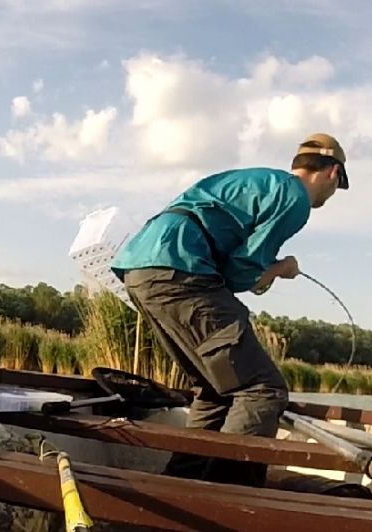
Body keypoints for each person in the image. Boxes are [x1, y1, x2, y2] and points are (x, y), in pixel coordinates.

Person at [110, 132, 350, 487]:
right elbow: (243, 272)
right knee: (262, 390)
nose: (333, 194)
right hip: (181, 269)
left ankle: (181, 489)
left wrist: (264, 272)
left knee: (215, 390)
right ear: (332, 173)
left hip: (143, 269)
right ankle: (229, 502)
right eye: (339, 184)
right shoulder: (296, 197)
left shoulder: (260, 181)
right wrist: (281, 268)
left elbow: (231, 267)